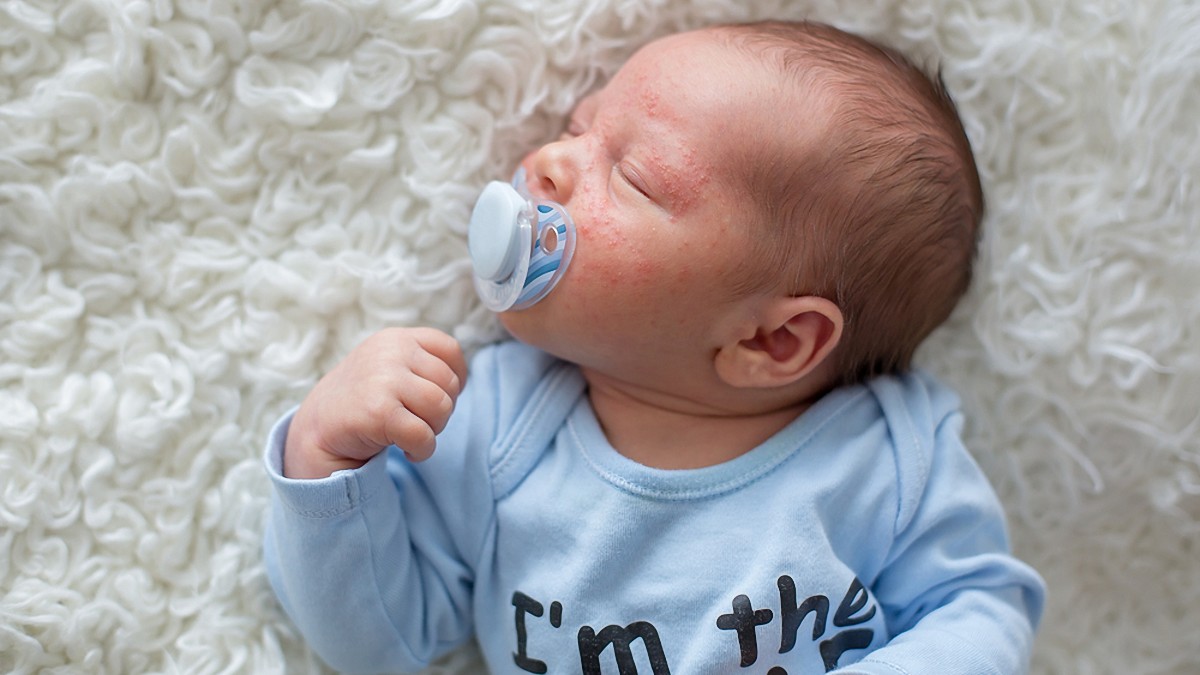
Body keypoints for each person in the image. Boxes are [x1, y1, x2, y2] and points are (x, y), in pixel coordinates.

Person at [262, 19, 1045, 675]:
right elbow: (380, 642)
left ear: (772, 338)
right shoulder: (493, 418)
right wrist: (326, 460)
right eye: (578, 126)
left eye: (631, 176)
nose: (549, 163)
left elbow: (978, 608)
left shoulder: (886, 455)